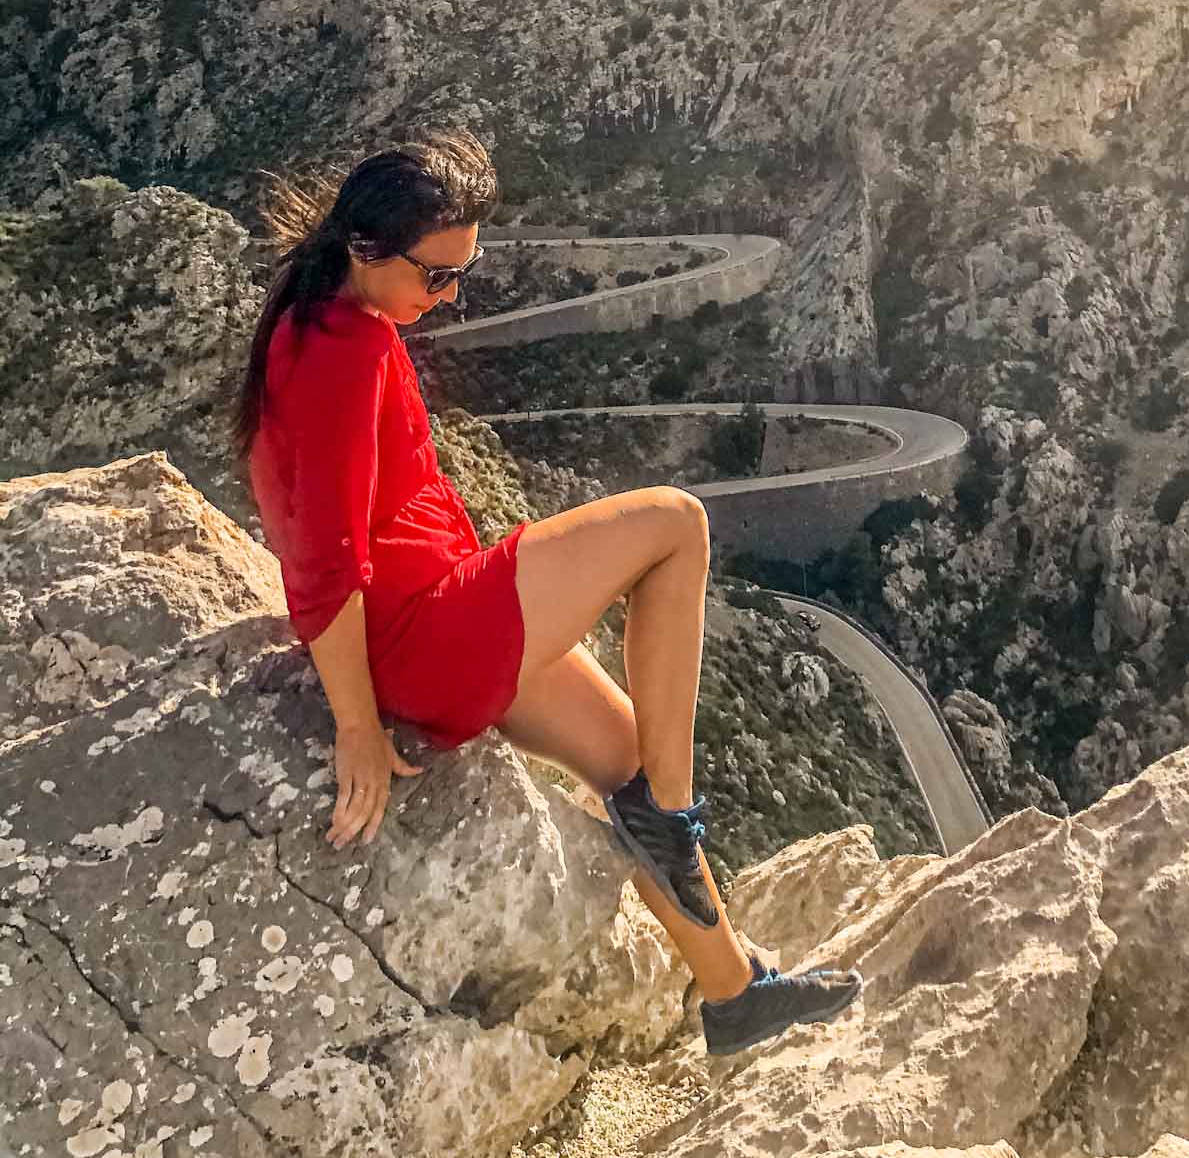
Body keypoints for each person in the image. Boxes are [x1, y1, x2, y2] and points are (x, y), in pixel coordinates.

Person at [232, 127, 863, 1056]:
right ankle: (678, 812)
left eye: (463, 275)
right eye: (436, 276)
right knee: (677, 524)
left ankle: (734, 995)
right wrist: (358, 727)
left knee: (623, 759)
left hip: (437, 615)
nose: (450, 297)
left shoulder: (324, 313)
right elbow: (321, 565)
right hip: (429, 635)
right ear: (365, 247)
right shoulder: (343, 354)